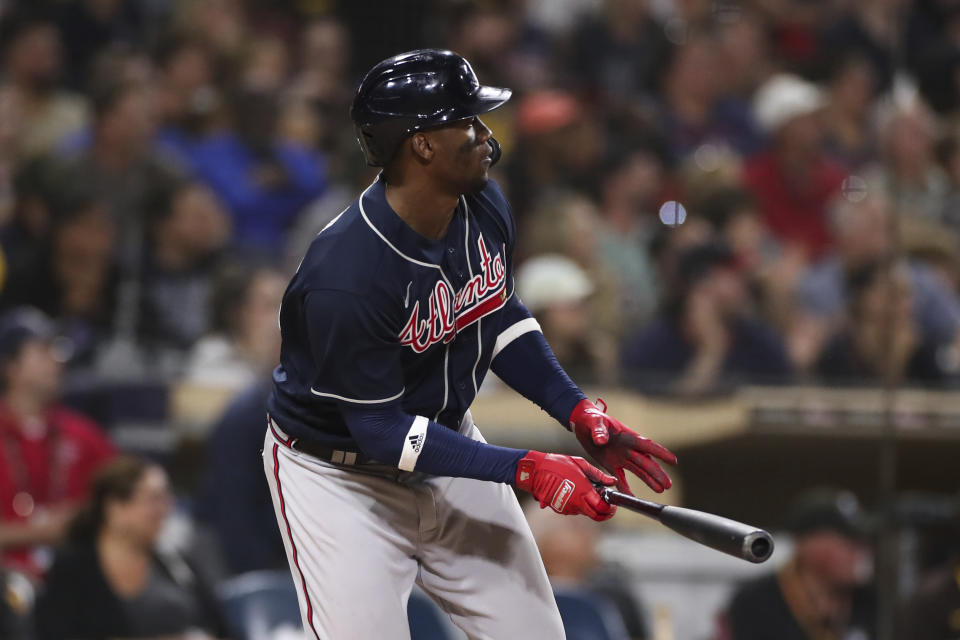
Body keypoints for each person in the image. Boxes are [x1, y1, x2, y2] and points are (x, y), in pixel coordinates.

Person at [264, 49, 677, 638]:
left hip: (446, 443)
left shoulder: (481, 202)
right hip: (340, 477)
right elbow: (383, 434)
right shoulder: (346, 275)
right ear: (422, 144)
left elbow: (499, 317)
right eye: (468, 121)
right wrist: (528, 470)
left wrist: (576, 410)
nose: (486, 135)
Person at [35, 456, 229, 640]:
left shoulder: (176, 563)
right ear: (115, 507)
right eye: (154, 499)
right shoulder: (71, 570)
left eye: (167, 498)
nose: (165, 509)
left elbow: (220, 628)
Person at [0, 308, 115, 579]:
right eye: (42, 352)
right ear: (10, 366)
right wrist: (41, 531)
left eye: (56, 351)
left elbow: (124, 494)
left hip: (76, 580)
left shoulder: (82, 433)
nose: (56, 362)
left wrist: (83, 517)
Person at [717, 489, 876, 640]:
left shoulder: (868, 602)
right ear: (807, 544)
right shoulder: (756, 603)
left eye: (862, 542)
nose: (859, 551)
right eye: (847, 541)